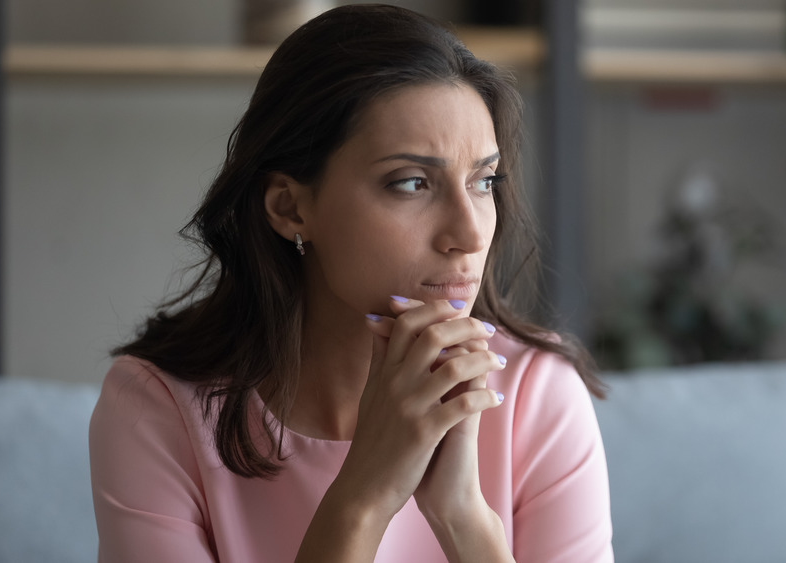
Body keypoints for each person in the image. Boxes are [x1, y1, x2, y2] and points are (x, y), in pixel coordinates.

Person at [89, 4, 613, 562]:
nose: (468, 233)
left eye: (484, 182)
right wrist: (365, 496)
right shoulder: (158, 407)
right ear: (290, 208)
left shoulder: (537, 393)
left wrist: (463, 517)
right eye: (411, 183)